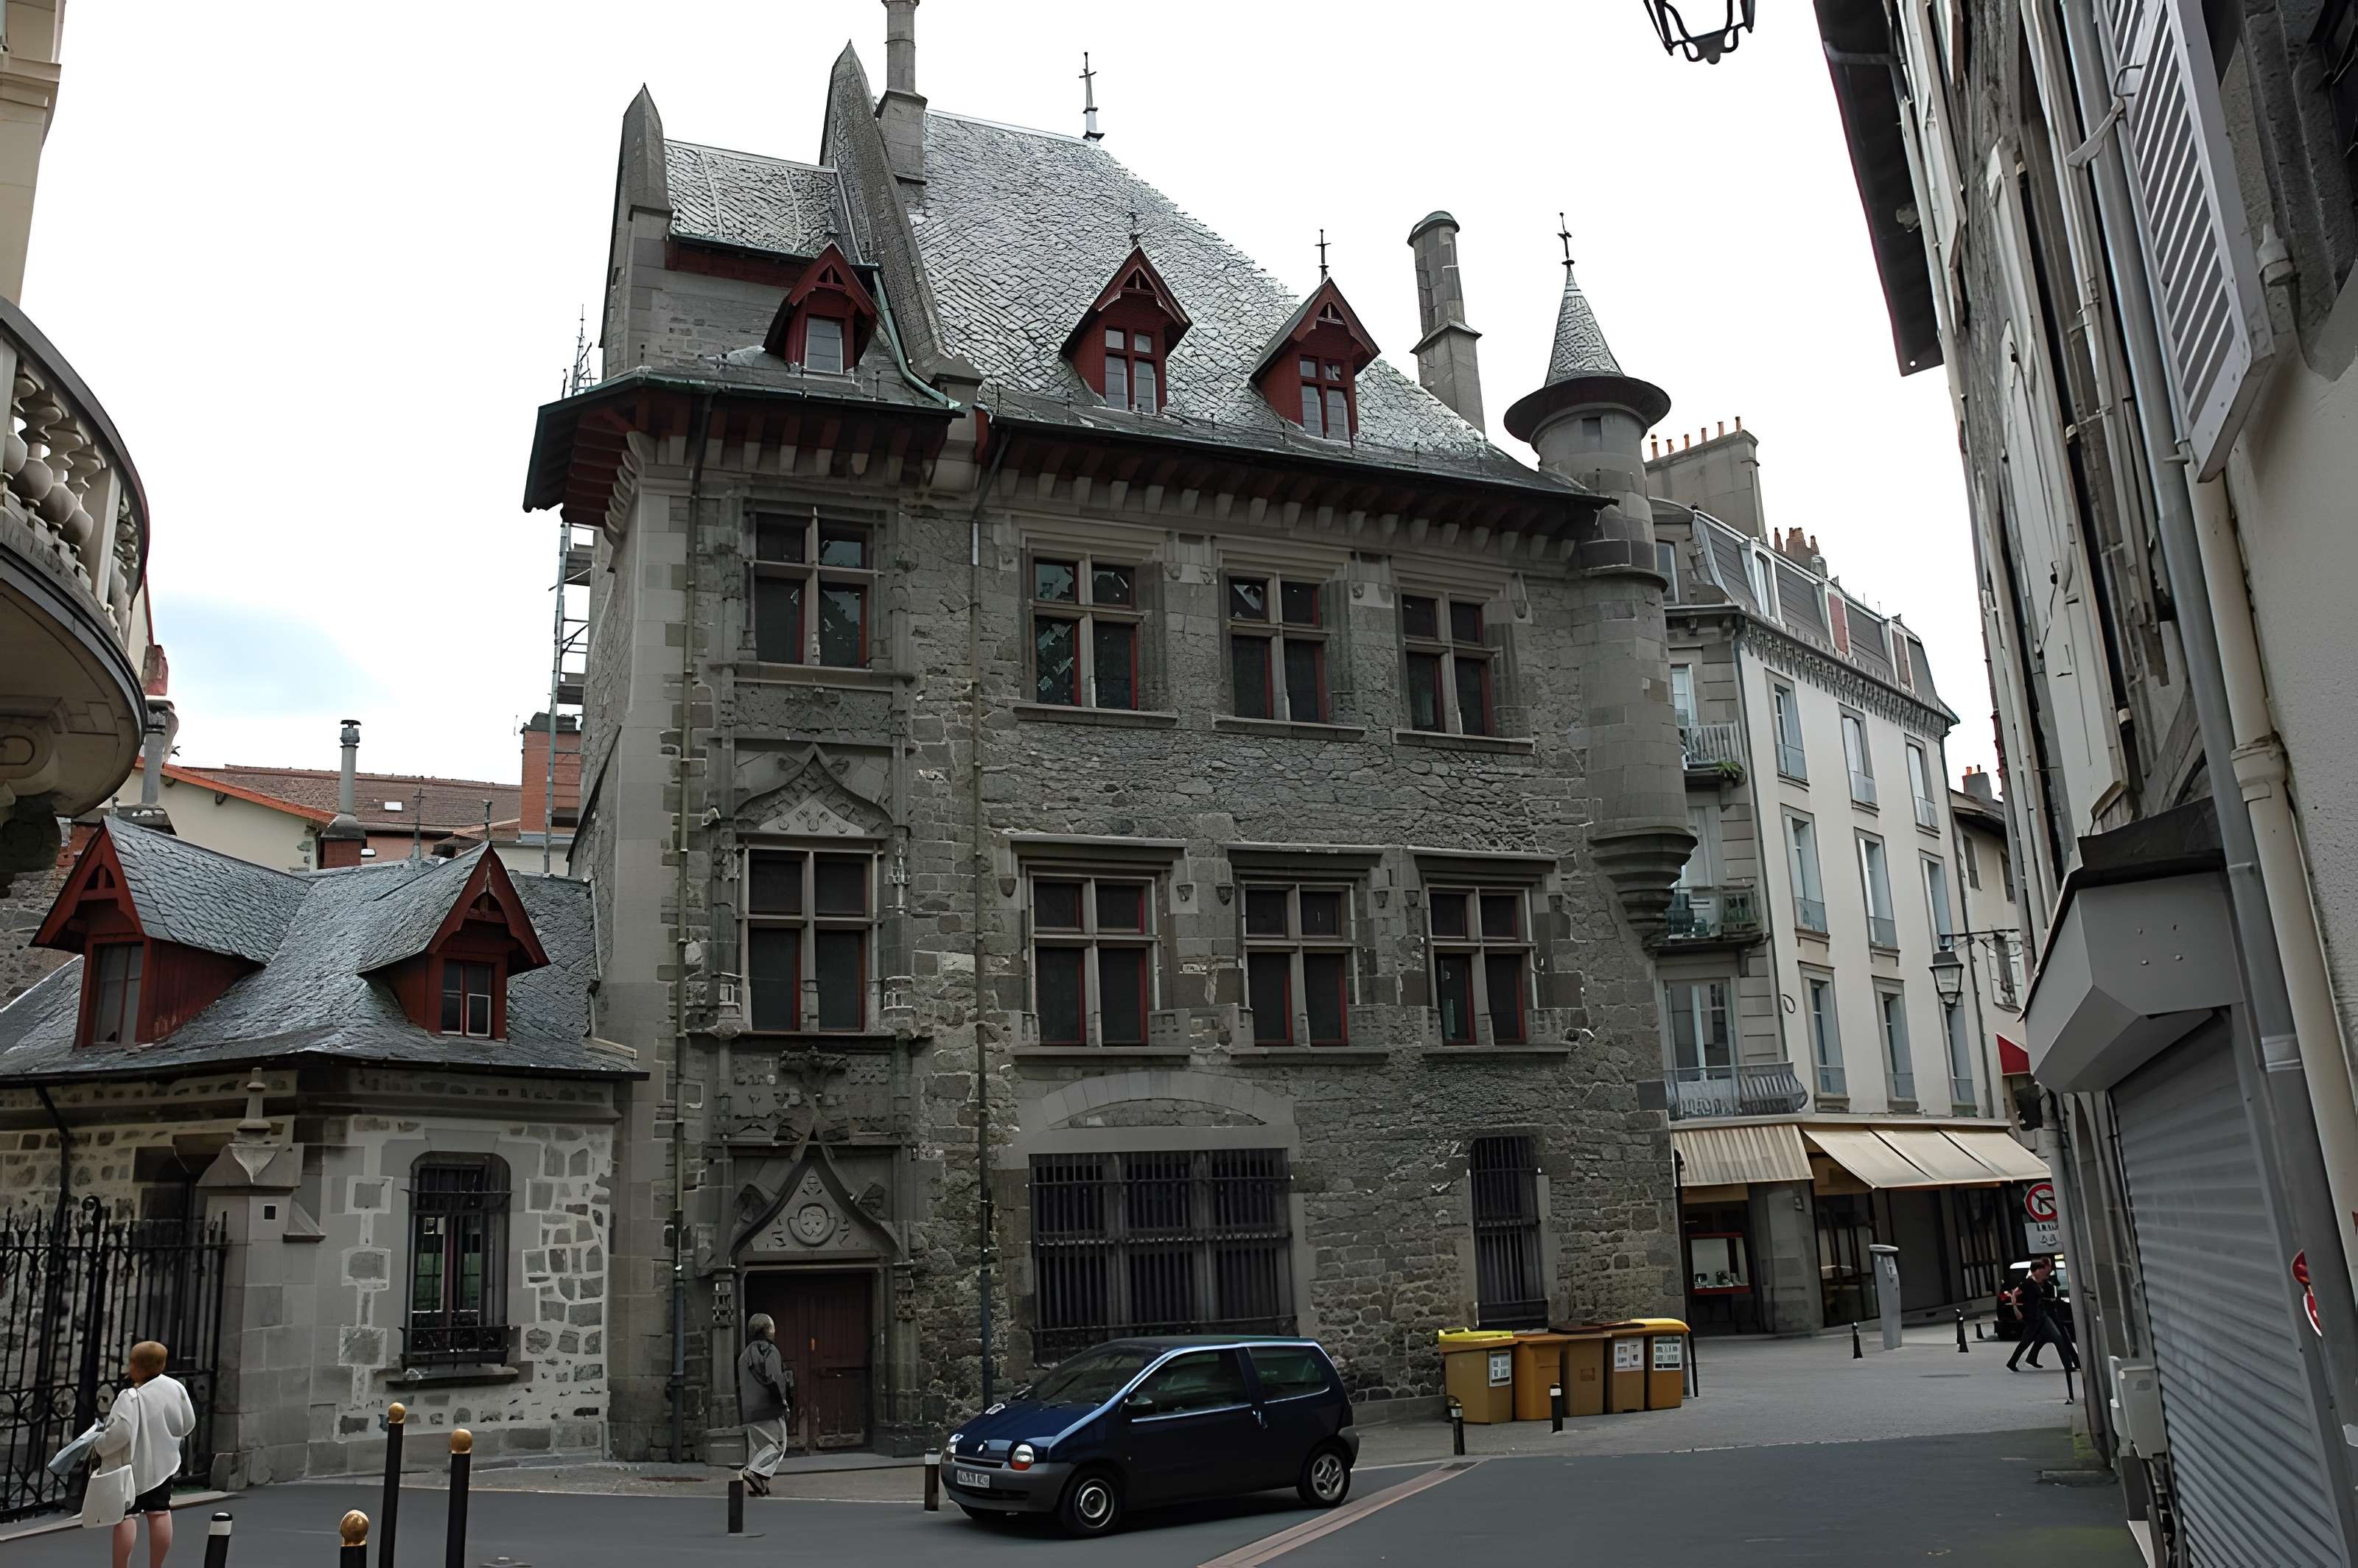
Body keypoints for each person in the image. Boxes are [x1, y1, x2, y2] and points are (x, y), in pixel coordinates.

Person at [92, 1340, 195, 1568]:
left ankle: (121, 1566)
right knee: (160, 1513)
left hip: (132, 1467)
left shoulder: (130, 1397)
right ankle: (156, 1565)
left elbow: (121, 1434)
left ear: (136, 1366)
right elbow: (188, 1424)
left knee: (126, 1517)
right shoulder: (176, 1388)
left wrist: (99, 1444)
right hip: (165, 1464)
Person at [737, 1313, 795, 1497]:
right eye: (772, 1328)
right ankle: (753, 1472)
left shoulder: (744, 1355)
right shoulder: (768, 1350)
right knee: (779, 1445)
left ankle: (761, 1484)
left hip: (749, 1410)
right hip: (768, 1407)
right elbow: (774, 1378)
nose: (773, 1332)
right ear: (766, 1330)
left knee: (759, 1447)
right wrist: (783, 1402)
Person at [2007, 1259, 2079, 1373]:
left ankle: (2068, 1365)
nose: (2042, 1272)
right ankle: (2012, 1362)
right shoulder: (2027, 1283)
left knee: (2058, 1338)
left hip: (2042, 1315)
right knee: (2026, 1341)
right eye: (2040, 1270)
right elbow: (2014, 1294)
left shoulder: (2038, 1282)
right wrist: (2016, 1309)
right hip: (2033, 1317)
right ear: (2035, 1271)